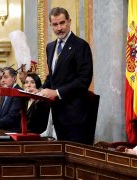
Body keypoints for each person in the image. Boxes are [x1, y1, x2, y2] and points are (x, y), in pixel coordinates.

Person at [38, 7, 93, 143]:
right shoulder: (50, 47)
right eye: (55, 25)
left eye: (62, 23)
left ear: (69, 21)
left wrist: (56, 92)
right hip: (57, 113)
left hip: (76, 114)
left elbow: (83, 80)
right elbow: (52, 76)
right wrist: (39, 91)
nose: (59, 28)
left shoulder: (81, 45)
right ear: (51, 25)